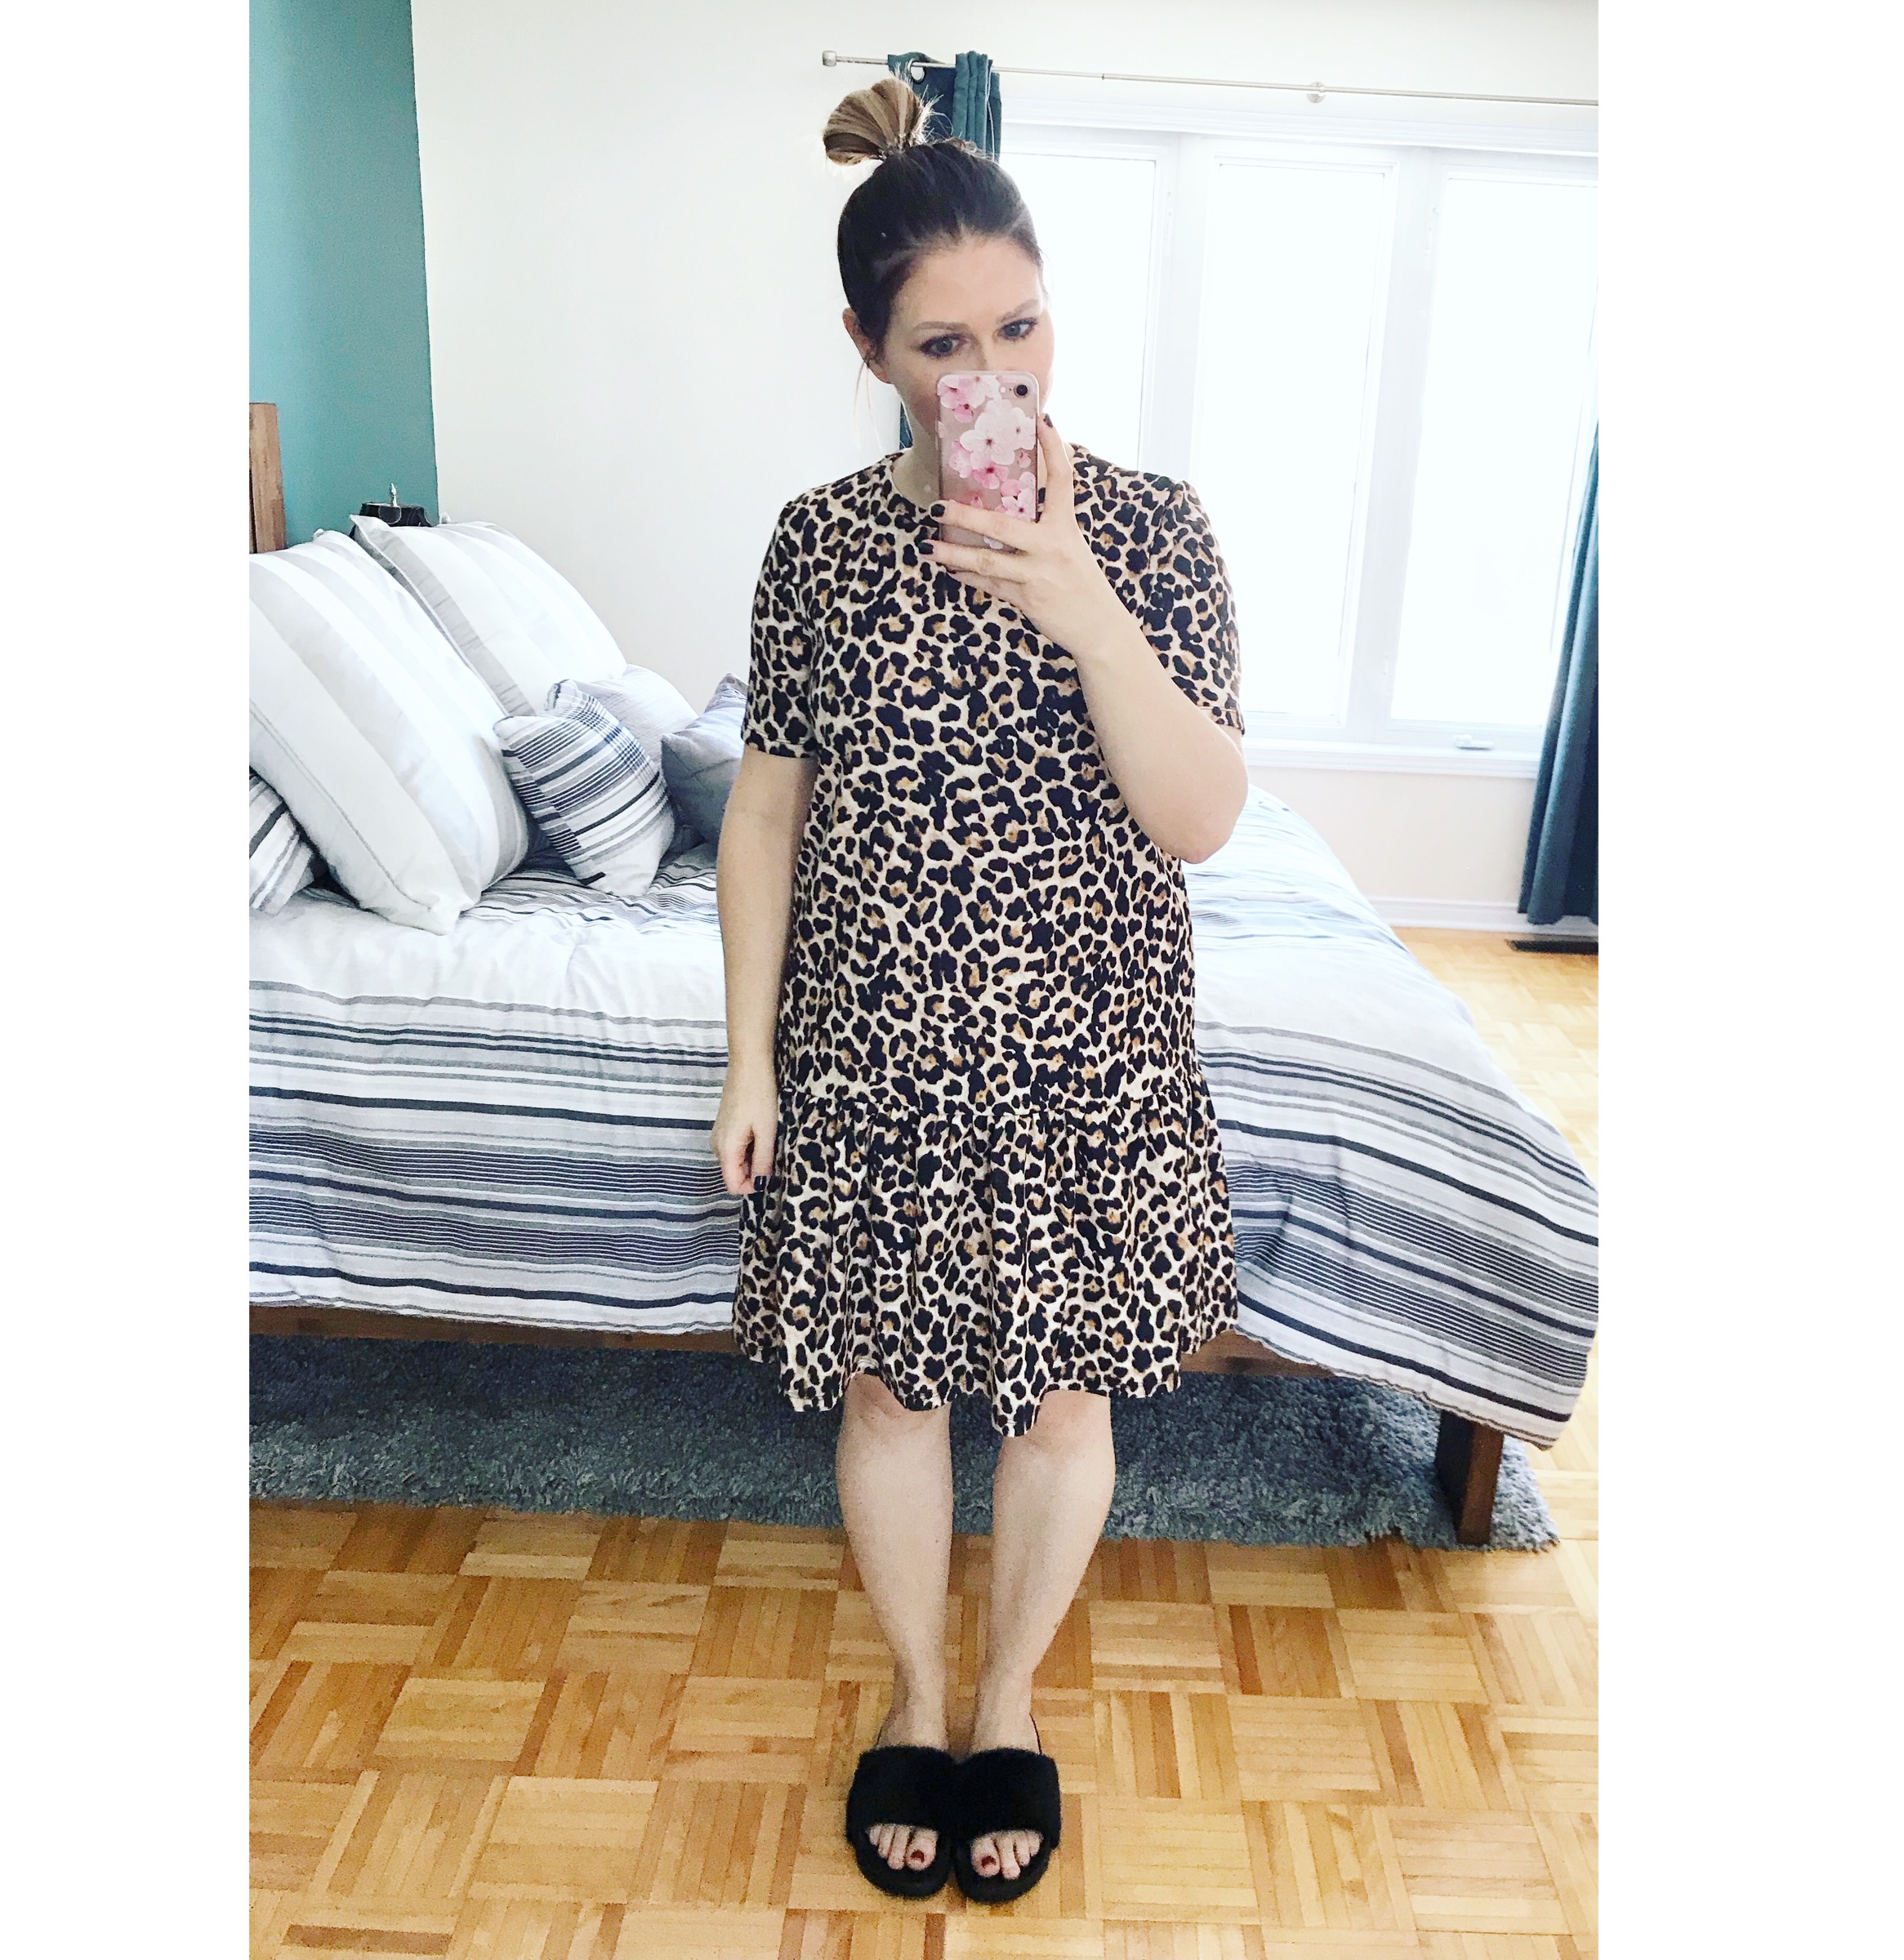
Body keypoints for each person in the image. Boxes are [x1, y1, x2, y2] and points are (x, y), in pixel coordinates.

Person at [711, 75, 1249, 1906]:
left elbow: (1200, 820)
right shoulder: (817, 545)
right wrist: (746, 1062)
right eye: (943, 343)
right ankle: (917, 1697)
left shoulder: (1157, 533)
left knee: (1064, 1408)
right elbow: (763, 811)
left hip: (1094, 1052)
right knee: (887, 1399)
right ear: (867, 349)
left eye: (1020, 327)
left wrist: (1086, 607)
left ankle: (1009, 1702)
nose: (991, 373)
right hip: (873, 1052)